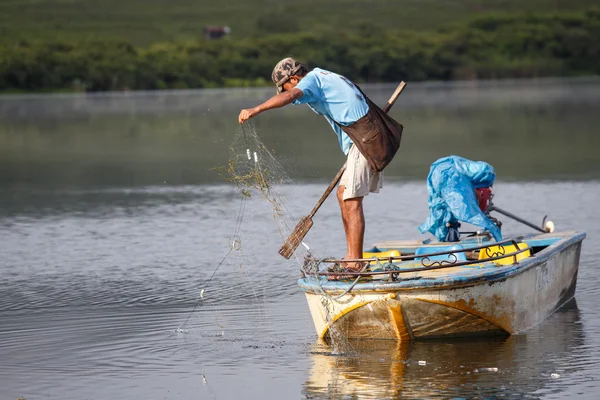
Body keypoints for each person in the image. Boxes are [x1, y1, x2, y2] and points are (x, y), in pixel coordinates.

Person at [238, 57, 402, 272]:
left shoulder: (311, 80)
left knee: (350, 199)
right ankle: (352, 257)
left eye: (284, 87)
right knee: (343, 194)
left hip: (366, 139)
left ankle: (355, 262)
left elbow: (291, 95)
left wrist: (256, 109)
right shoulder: (325, 76)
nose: (285, 92)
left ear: (294, 79)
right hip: (363, 139)